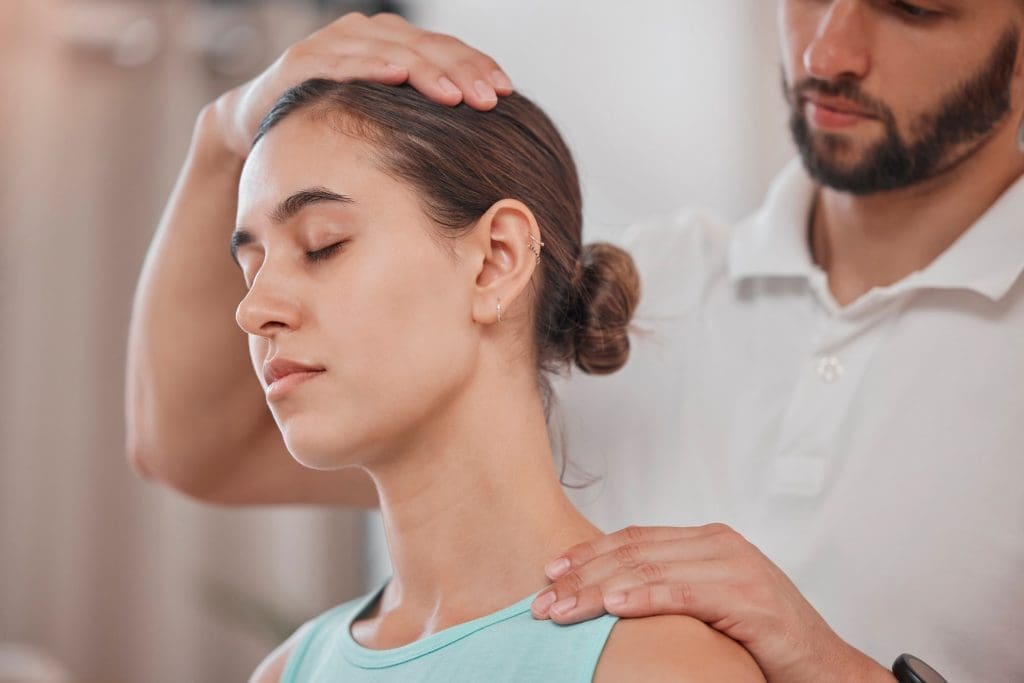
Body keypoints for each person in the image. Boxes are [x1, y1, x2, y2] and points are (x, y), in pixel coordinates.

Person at [126, 3, 1024, 681]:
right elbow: (199, 445)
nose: (828, 51)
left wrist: (829, 664)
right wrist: (222, 133)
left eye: (913, 4)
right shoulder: (638, 283)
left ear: (497, 261)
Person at [227, 77, 763, 682]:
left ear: (495, 262)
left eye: (323, 245)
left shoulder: (661, 667)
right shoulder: (288, 671)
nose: (253, 310)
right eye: (251, 268)